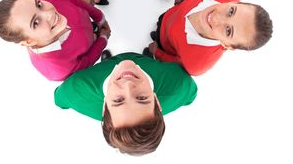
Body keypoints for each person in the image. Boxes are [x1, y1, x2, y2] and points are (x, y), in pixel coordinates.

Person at [54, 52, 197, 155]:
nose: (128, 85)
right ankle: (147, 56)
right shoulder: (179, 84)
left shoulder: (76, 90)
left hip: (102, 68)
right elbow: (190, 96)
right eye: (141, 98)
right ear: (158, 102)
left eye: (118, 100)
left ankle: (108, 61)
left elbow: (59, 99)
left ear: (104, 108)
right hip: (148, 62)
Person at [144, 0, 273, 76]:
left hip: (165, 46)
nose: (216, 19)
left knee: (158, 40)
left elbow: (175, 64)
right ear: (235, 2)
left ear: (227, 45)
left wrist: (157, 51)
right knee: (159, 25)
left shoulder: (197, 64)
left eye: (228, 31)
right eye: (231, 11)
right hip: (168, 16)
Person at [0, 0, 111, 81]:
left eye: (39, 5)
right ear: (29, 41)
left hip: (89, 25)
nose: (49, 14)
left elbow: (73, 1)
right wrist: (102, 40)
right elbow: (86, 63)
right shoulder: (57, 69)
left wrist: (99, 18)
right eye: (35, 22)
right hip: (91, 46)